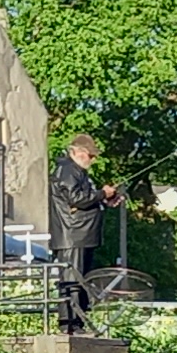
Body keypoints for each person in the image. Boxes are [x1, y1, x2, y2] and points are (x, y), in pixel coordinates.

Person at [46, 133, 121, 324]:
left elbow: (83, 198)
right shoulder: (68, 171)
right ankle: (69, 323)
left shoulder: (77, 172)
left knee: (82, 280)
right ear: (78, 152)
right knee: (72, 281)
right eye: (90, 155)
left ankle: (79, 321)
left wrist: (104, 199)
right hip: (72, 236)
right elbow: (76, 199)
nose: (93, 159)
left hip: (81, 235)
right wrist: (102, 193)